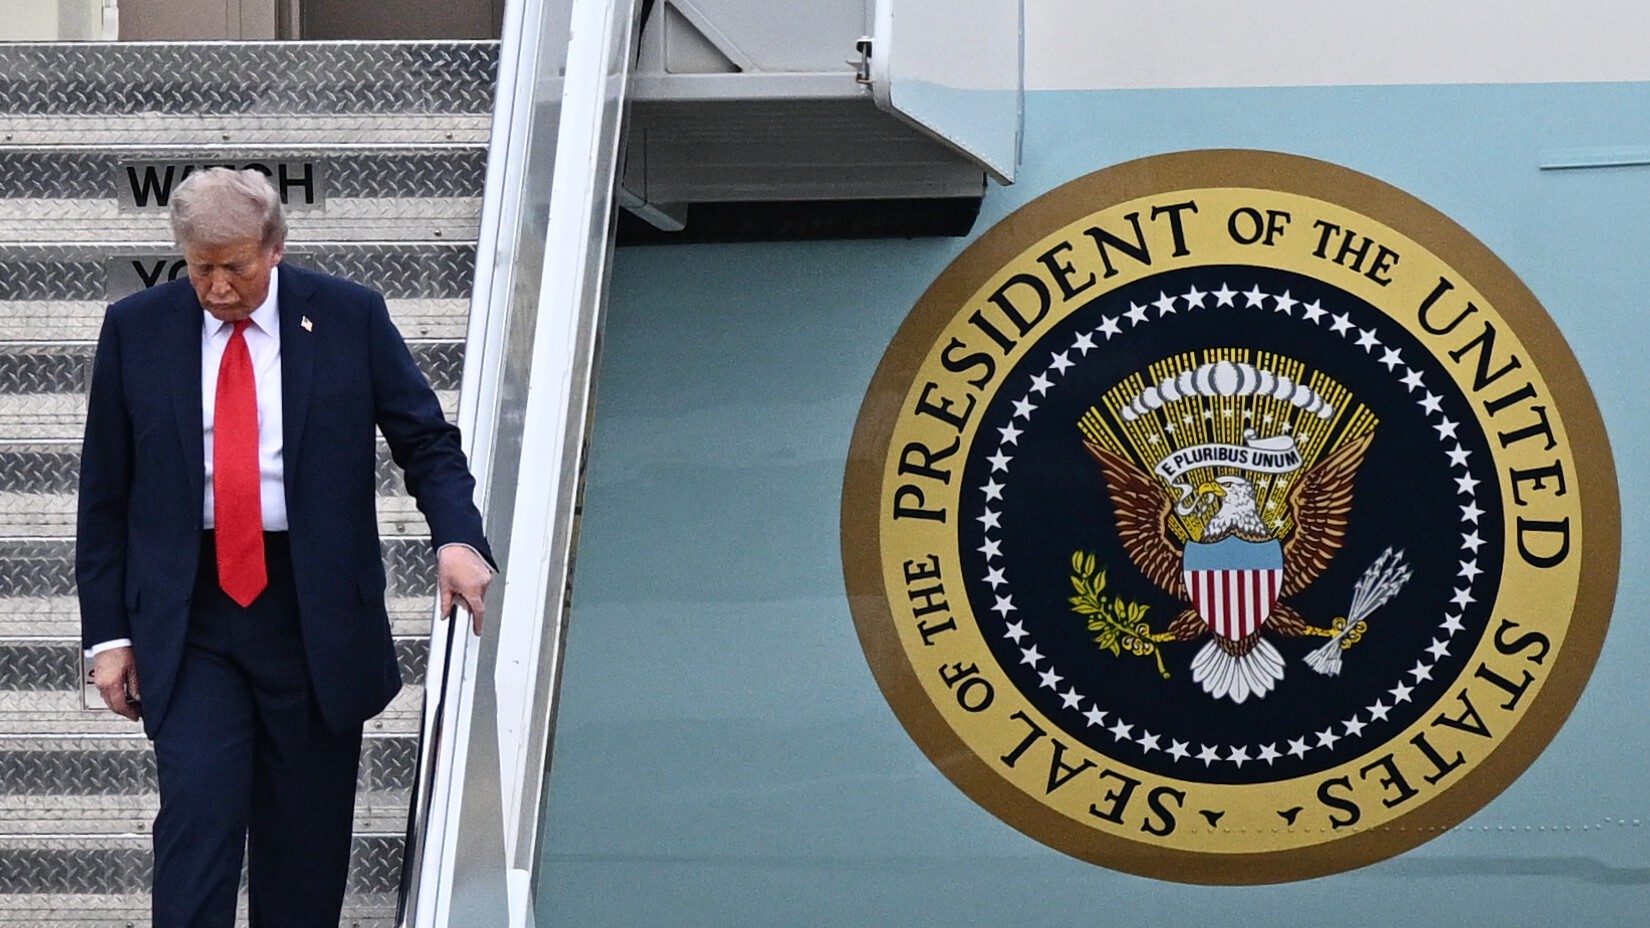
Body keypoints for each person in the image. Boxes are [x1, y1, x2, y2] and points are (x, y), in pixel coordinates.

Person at [75, 167, 495, 927]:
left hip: (312, 615)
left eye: (235, 266)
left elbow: (426, 442)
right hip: (191, 616)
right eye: (201, 268)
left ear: (276, 247)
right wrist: (108, 637)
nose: (218, 287)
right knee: (197, 822)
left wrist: (458, 538)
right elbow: (104, 494)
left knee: (303, 851)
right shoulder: (137, 328)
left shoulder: (348, 316)